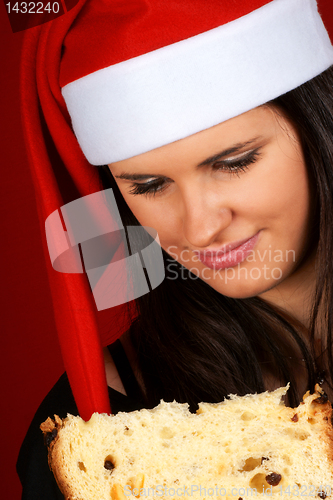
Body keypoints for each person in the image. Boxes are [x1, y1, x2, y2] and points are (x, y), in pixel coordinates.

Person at [17, 0, 333, 498]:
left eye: (234, 162)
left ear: (319, 127)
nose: (201, 228)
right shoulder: (106, 431)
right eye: (148, 185)